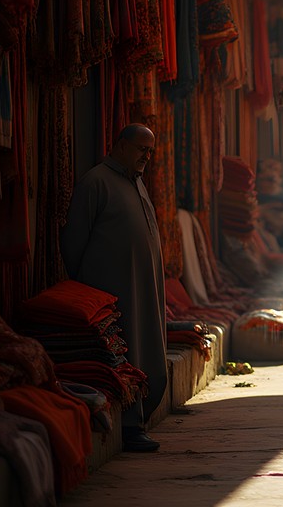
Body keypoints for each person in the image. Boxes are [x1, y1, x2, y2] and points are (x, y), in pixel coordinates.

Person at [60, 124, 167, 454]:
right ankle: (130, 426)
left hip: (143, 288)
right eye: (140, 149)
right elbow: (74, 243)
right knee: (125, 350)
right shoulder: (96, 182)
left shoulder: (137, 184)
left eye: (150, 152)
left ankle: (139, 420)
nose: (145, 157)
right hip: (113, 292)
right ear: (120, 146)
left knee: (146, 345)